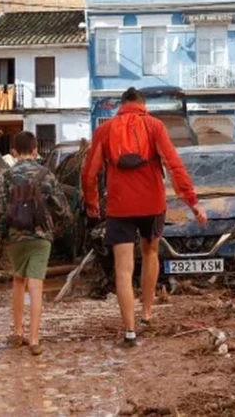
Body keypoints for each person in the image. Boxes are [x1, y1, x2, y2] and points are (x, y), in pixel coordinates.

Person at [81, 87, 208, 348]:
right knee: (150, 253)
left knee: (123, 270)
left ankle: (129, 331)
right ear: (142, 104)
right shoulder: (154, 126)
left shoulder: (104, 131)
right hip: (152, 204)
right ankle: (147, 311)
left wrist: (92, 206)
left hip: (120, 207)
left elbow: (89, 174)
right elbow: (174, 164)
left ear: (121, 104)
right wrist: (192, 202)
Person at [0, 131, 71, 356]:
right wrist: (59, 227)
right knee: (36, 284)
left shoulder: (8, 176)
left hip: (15, 237)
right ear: (35, 149)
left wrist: (2, 235)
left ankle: (18, 332)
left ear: (14, 152)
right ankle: (34, 338)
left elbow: (1, 209)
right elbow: (61, 207)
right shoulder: (45, 174)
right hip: (40, 237)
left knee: (18, 282)